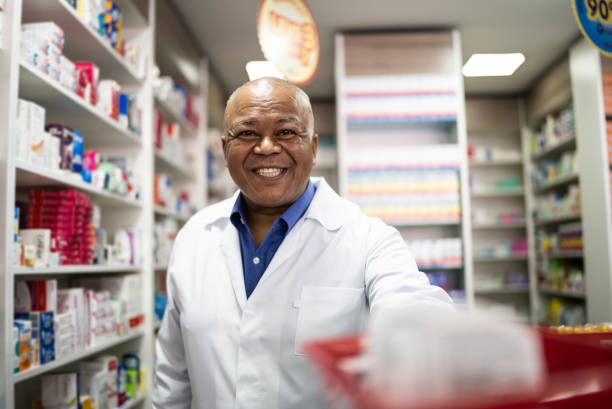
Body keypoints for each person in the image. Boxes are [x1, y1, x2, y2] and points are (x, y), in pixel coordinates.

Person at [152, 77, 453, 409]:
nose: (266, 147)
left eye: (286, 132)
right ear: (225, 150)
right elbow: (172, 376)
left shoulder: (369, 239)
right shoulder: (195, 236)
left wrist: (431, 342)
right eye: (248, 132)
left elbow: (414, 315)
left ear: (312, 147)